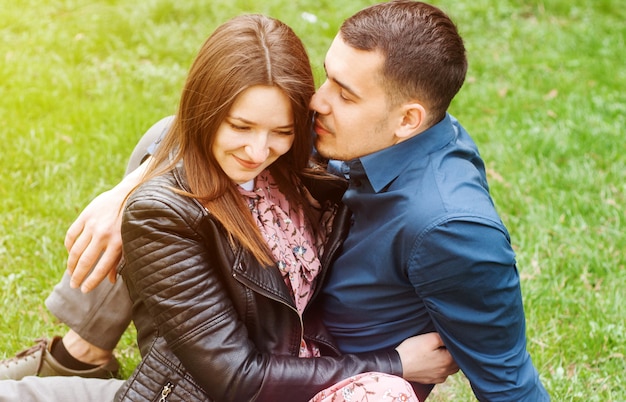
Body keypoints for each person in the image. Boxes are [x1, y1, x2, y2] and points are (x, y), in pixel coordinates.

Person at [3, 1, 550, 400]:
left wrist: (396, 365)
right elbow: (191, 127)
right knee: (164, 163)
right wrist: (123, 193)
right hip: (242, 340)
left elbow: (508, 379)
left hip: (298, 378)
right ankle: (83, 352)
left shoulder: (450, 228)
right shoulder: (369, 130)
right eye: (328, 77)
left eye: (344, 92)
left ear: (408, 120)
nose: (317, 100)